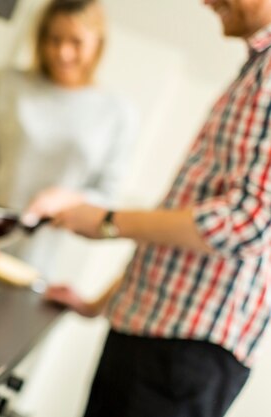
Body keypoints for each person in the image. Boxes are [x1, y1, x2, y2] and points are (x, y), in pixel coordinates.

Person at [26, 0, 271, 415]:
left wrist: (106, 221)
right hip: (149, 331)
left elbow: (248, 224)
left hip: (185, 351)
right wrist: (98, 303)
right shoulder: (255, 68)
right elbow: (190, 219)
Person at [0, 0, 138, 278]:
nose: (62, 53)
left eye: (76, 42)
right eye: (54, 39)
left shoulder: (117, 113)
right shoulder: (7, 83)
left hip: (43, 264)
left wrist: (69, 199)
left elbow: (107, 194)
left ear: (98, 43)